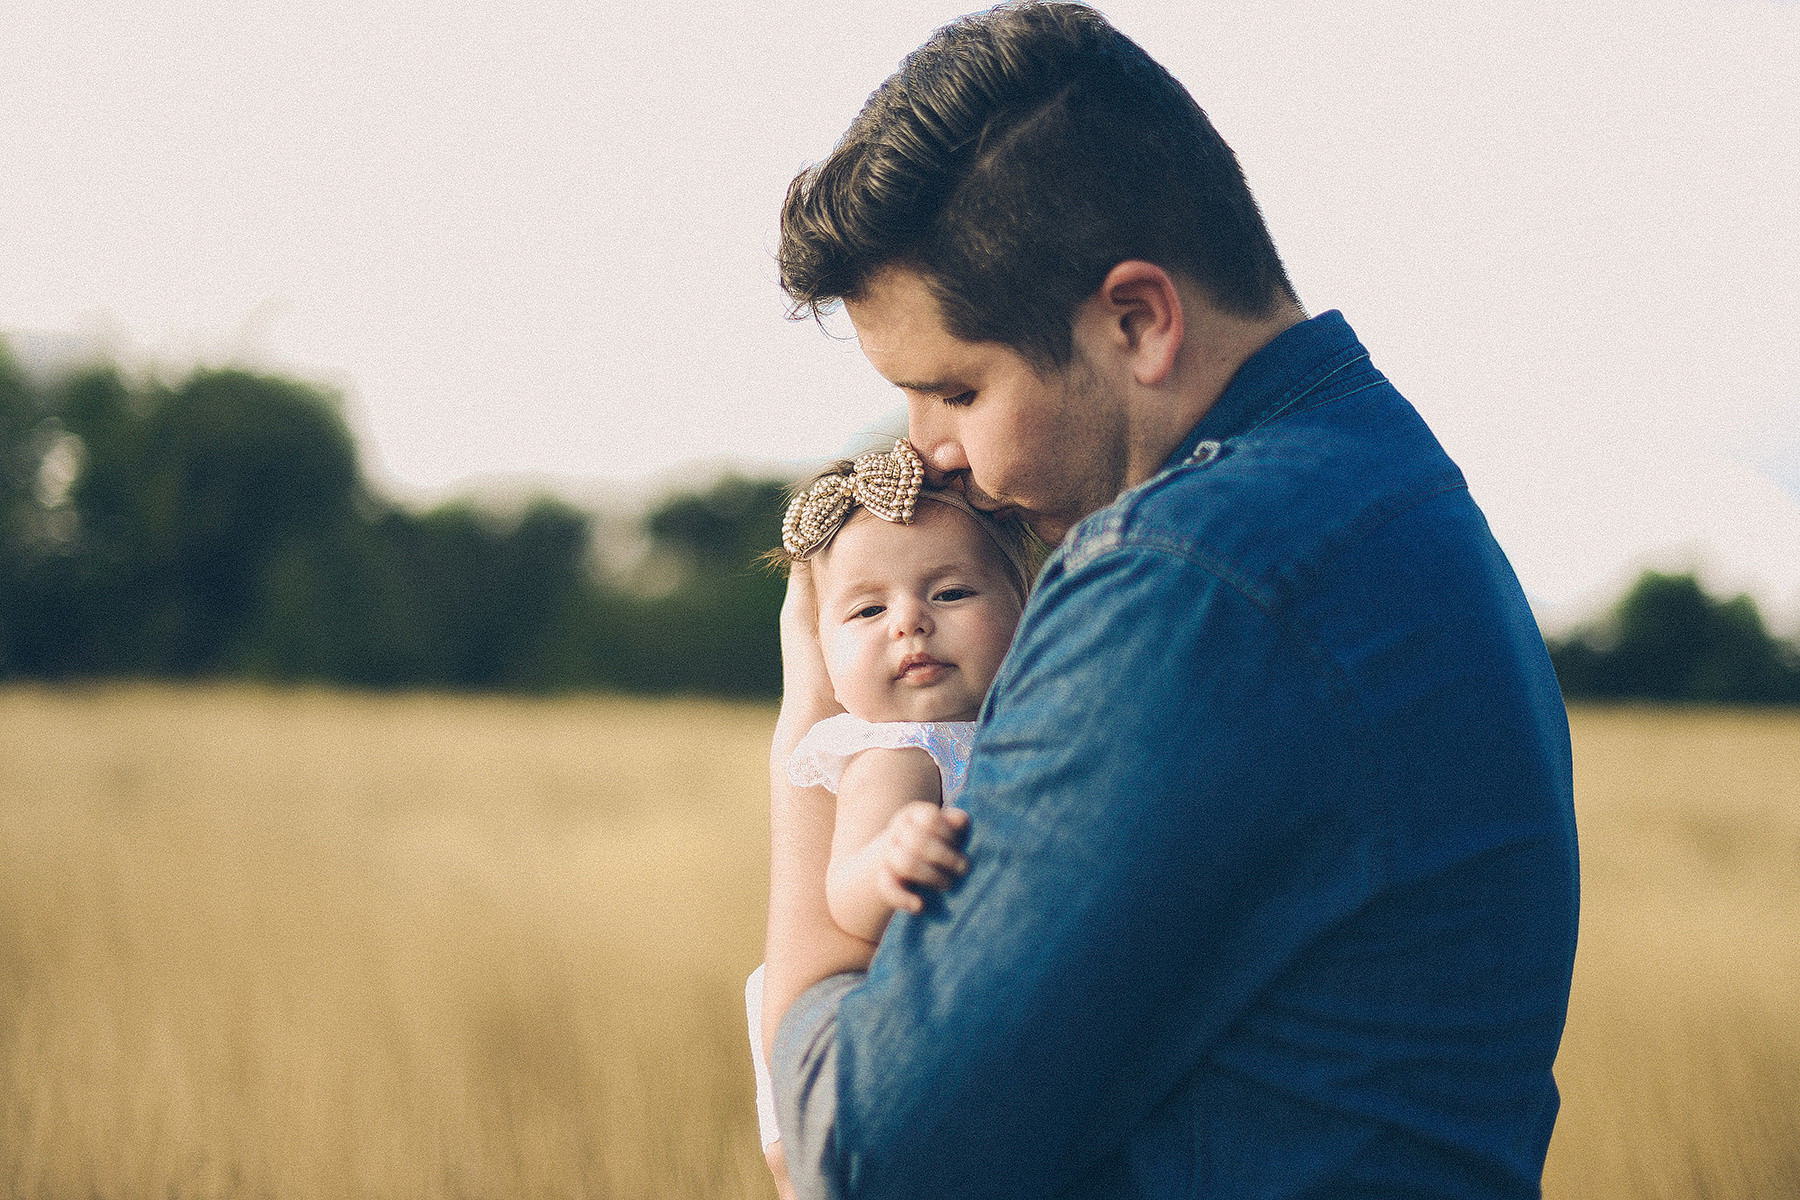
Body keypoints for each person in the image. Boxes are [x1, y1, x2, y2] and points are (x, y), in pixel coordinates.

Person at [760, 4, 1580, 1199]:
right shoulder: (1381, 480)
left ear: (1137, 319)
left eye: (956, 388)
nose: (925, 450)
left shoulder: (1185, 585)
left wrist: (812, 763)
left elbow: (872, 1162)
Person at [747, 441, 1037, 1195]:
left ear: (1024, 605)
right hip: (861, 1038)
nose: (909, 624)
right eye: (868, 610)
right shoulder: (901, 750)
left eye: (950, 594)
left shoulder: (1007, 727)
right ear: (821, 651)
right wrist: (893, 859)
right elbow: (845, 892)